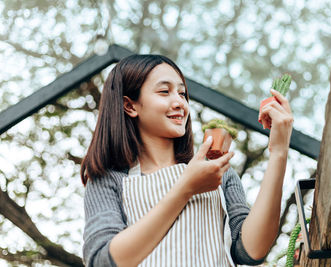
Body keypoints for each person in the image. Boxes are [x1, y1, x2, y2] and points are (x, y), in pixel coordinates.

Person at [81, 54, 293, 267]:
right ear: (130, 106)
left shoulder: (217, 172)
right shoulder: (108, 179)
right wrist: (185, 188)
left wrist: (278, 152)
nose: (179, 103)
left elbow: (252, 251)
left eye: (182, 93)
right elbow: (102, 261)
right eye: (165, 92)